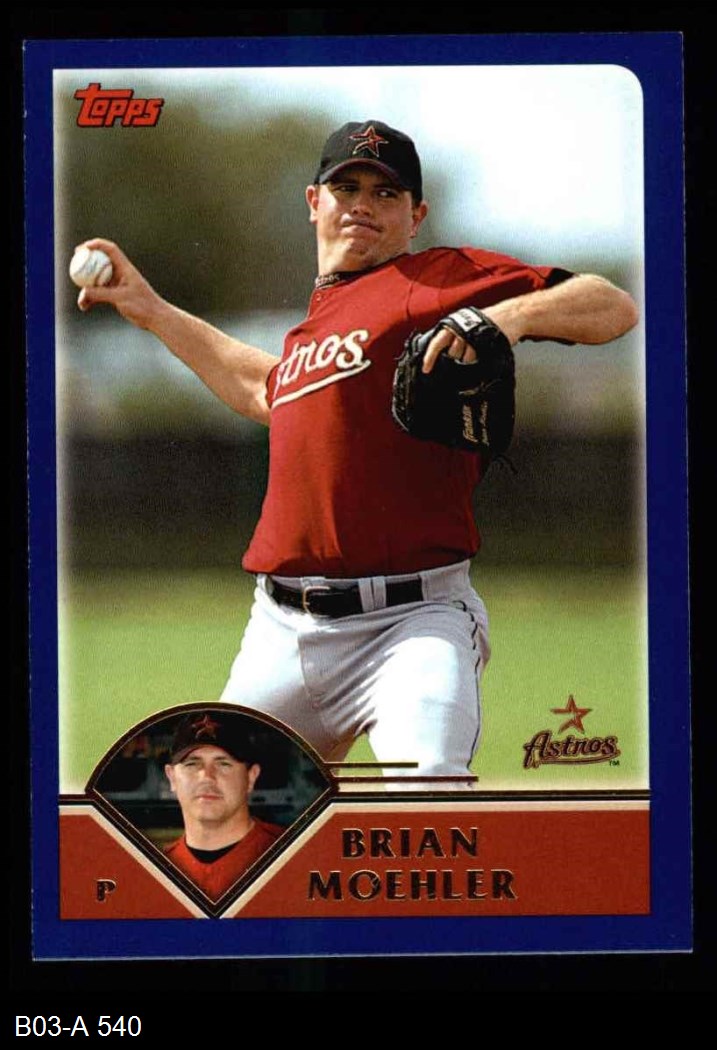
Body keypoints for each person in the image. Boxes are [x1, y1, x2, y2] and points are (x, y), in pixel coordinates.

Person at [76, 119, 638, 788]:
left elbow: (612, 307)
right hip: (282, 633)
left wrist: (504, 317)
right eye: (347, 188)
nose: (363, 205)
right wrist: (149, 309)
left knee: (425, 784)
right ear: (314, 202)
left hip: (412, 624)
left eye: (385, 192)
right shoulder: (312, 331)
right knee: (211, 818)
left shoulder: (438, 277)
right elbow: (261, 389)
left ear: (415, 215)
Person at [163, 711, 282, 898]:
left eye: (223, 764)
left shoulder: (292, 851)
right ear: (172, 778)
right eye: (192, 764)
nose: (206, 776)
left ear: (251, 777)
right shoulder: (154, 869)